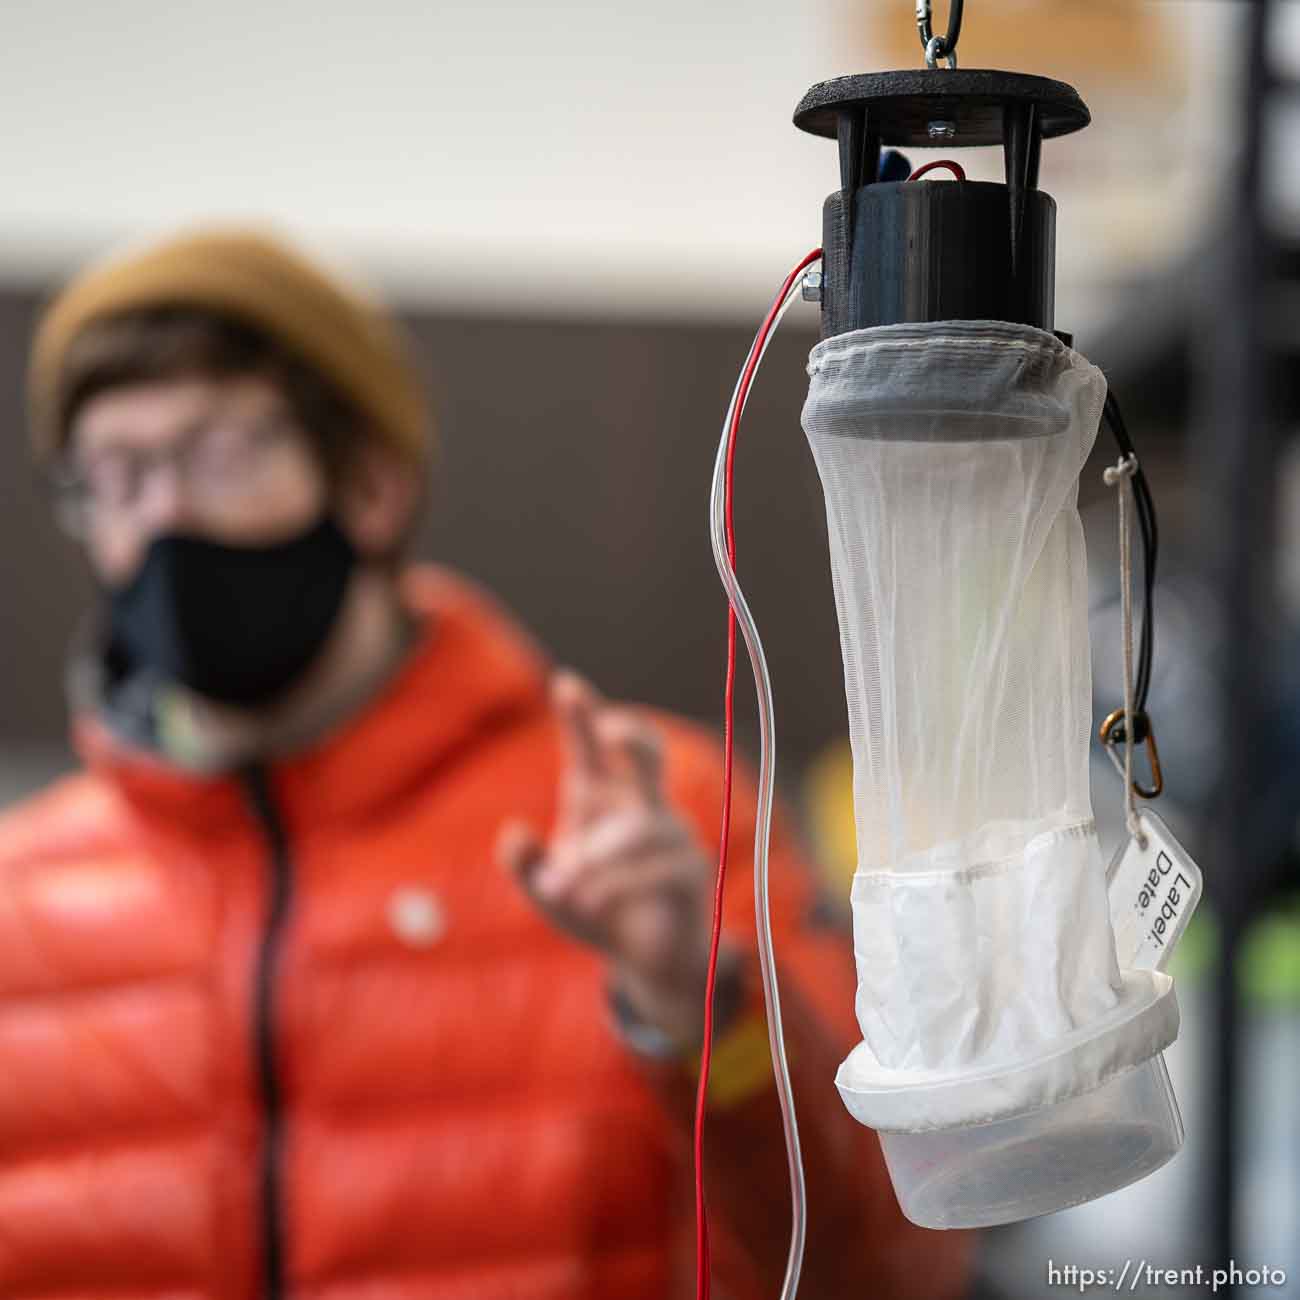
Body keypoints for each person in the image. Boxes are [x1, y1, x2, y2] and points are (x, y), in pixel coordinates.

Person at [0, 224, 973, 1299]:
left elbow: (891, 1268)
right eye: (117, 475)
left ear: (368, 485)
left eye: (220, 453)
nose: (166, 512)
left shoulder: (655, 823)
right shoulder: (19, 898)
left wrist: (705, 1011)